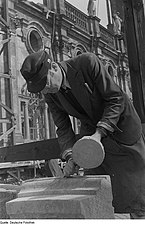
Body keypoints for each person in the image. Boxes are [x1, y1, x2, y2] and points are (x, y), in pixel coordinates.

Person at [20, 50, 145, 218]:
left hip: (121, 128)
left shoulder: (87, 63)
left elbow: (116, 98)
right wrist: (70, 156)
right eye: (42, 88)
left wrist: (99, 133)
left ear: (54, 67)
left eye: (46, 83)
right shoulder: (50, 94)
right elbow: (63, 127)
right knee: (98, 190)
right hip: (91, 136)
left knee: (135, 191)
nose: (46, 90)